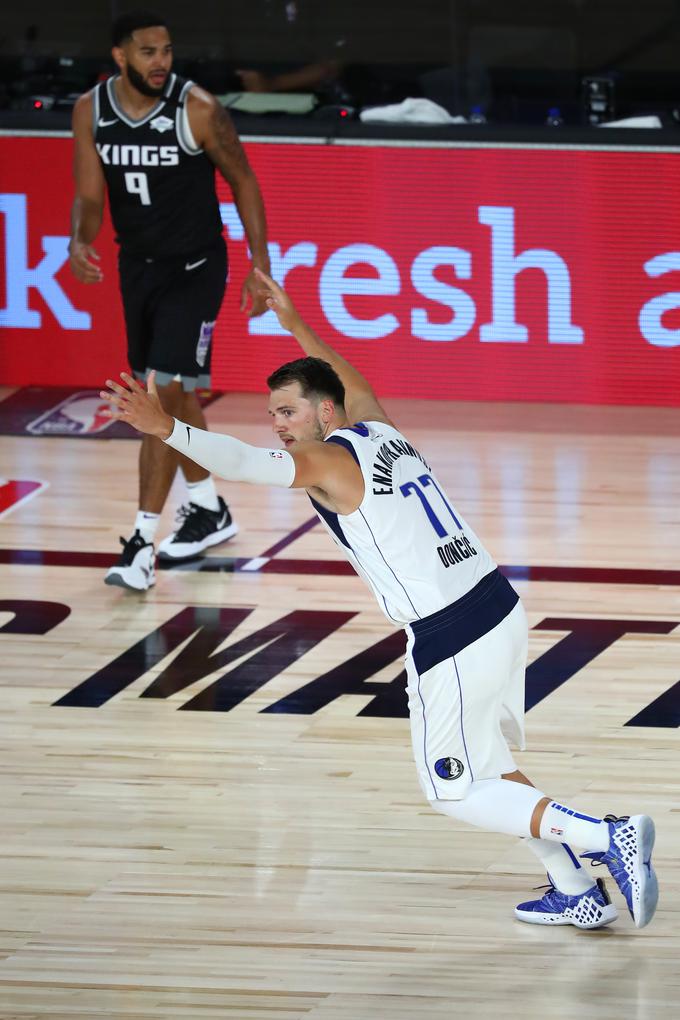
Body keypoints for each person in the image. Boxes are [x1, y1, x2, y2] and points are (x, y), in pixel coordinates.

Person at [100, 269, 658, 930]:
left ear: (325, 413)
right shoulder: (379, 430)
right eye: (273, 413)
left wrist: (167, 426)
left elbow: (242, 462)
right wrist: (294, 321)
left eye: (288, 412)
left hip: (452, 636)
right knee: (493, 768)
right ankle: (574, 888)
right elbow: (346, 373)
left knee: (452, 789)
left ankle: (606, 835)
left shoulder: (328, 460)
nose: (278, 426)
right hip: (499, 609)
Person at [69, 10, 270, 591]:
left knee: (157, 391)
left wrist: (261, 264)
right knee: (176, 395)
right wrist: (80, 236)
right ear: (120, 56)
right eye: (148, 52)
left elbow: (244, 179)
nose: (162, 61)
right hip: (139, 269)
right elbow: (88, 192)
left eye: (167, 50)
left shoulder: (197, 107)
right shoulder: (92, 110)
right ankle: (207, 508)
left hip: (196, 268)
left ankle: (140, 542)